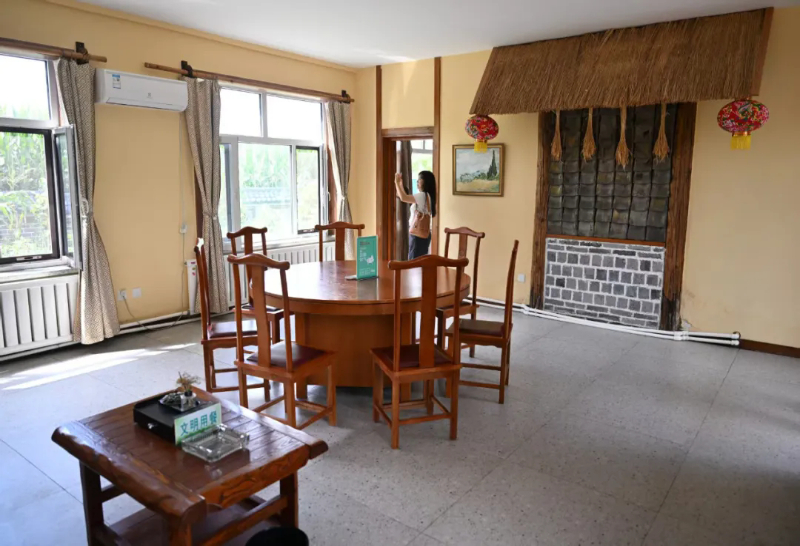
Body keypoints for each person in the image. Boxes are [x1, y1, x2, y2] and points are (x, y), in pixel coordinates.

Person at [394, 170, 437, 259]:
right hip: (423, 234)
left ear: (425, 182)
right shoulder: (428, 196)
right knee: (419, 263)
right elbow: (402, 195)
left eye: (419, 179)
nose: (417, 181)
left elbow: (403, 198)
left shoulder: (422, 195)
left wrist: (396, 183)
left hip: (417, 235)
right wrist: (400, 185)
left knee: (413, 263)